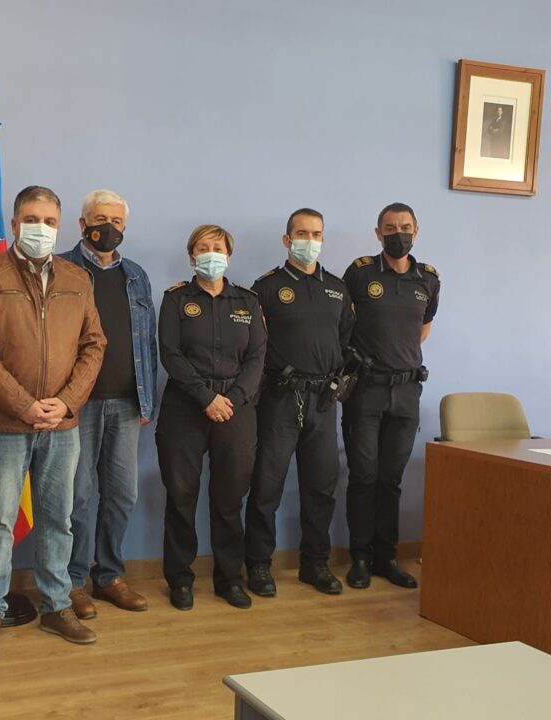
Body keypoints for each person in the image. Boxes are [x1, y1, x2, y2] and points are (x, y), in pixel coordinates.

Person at [0, 185, 107, 657]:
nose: (40, 229)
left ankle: (56, 606)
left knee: (58, 520)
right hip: (5, 424)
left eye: (49, 222)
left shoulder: (77, 278)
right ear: (13, 224)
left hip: (62, 426)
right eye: (31, 220)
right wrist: (23, 404)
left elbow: (94, 345)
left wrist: (65, 403)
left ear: (60, 227)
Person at [156, 224, 267, 611]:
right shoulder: (175, 300)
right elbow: (170, 354)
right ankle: (180, 579)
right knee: (181, 497)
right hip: (185, 408)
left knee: (229, 498)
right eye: (202, 248)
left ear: (229, 256)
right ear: (192, 258)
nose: (210, 254)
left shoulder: (248, 302)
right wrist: (207, 398)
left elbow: (257, 358)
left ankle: (229, 579)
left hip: (236, 410)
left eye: (217, 248)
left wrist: (231, 400)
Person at [244, 208, 354, 597]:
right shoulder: (267, 287)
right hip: (279, 398)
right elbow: (253, 347)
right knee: (266, 486)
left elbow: (346, 341)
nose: (310, 241)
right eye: (302, 234)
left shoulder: (337, 288)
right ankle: (259, 564)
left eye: (316, 234)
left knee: (321, 487)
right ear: (287, 240)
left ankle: (315, 563)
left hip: (323, 399)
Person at [58, 189, 157, 619]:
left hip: (126, 404)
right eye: (100, 219)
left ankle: (109, 575)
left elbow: (148, 340)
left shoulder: (136, 275)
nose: (108, 228)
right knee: (77, 497)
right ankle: (73, 581)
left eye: (116, 222)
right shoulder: (61, 268)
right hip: (78, 405)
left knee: (121, 494)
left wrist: (148, 401)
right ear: (83, 224)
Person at [341, 202, 440, 590]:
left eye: (405, 227)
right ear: (378, 233)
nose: (398, 233)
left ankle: (387, 557)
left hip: (407, 392)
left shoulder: (428, 278)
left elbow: (423, 328)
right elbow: (342, 324)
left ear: (416, 231)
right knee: (363, 476)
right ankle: (360, 558)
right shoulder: (360, 272)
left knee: (391, 480)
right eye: (390, 227)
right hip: (366, 390)